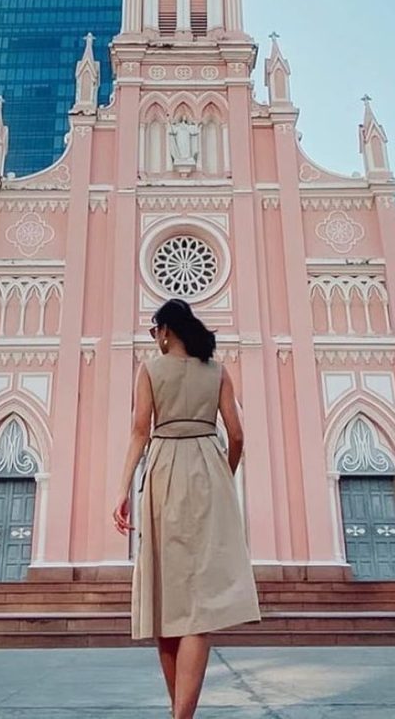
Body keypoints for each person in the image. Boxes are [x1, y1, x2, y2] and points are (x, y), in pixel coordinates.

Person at [112, 298, 261, 719]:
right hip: (208, 470)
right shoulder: (217, 371)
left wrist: (122, 490)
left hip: (163, 471)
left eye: (154, 332)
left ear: (164, 330)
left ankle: (179, 714)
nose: (154, 339)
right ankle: (182, 715)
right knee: (200, 605)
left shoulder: (150, 369)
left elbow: (140, 432)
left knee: (165, 602)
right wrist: (223, 476)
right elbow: (236, 435)